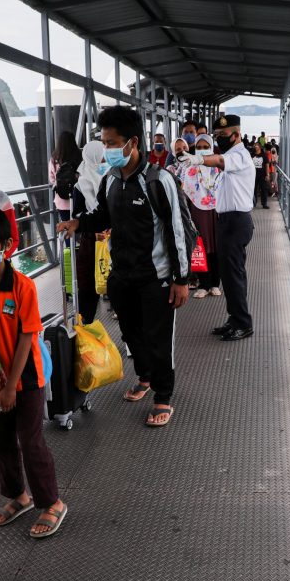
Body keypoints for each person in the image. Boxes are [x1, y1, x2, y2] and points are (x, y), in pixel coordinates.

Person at [57, 106, 192, 427]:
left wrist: (181, 279)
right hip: (121, 275)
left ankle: (163, 396)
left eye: (112, 143)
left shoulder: (159, 181)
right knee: (131, 334)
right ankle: (145, 377)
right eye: (104, 143)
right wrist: (77, 222)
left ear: (133, 142)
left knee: (159, 338)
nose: (108, 150)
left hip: (156, 277)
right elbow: (103, 216)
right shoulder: (110, 179)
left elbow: (176, 232)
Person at [0, 207, 67, 537]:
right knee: (1, 441)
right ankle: (19, 496)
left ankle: (52, 503)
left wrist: (11, 385)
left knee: (30, 441)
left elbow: (26, 336)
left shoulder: (22, 286)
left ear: (5, 245)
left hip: (26, 377)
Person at [177, 114, 255, 341]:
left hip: (236, 221)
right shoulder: (230, 154)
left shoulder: (240, 155)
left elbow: (219, 162)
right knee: (229, 276)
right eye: (217, 135)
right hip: (226, 221)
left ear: (236, 135)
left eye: (223, 135)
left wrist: (197, 159)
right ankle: (234, 318)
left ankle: (243, 323)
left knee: (234, 275)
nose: (219, 139)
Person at [174, 133, 221, 298]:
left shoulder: (218, 166)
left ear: (211, 147)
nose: (202, 150)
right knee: (201, 247)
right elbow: (185, 191)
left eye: (205, 147)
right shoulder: (190, 167)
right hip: (197, 211)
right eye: (199, 148)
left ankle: (215, 283)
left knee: (216, 248)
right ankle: (204, 283)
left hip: (216, 211)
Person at [72, 140, 107, 323]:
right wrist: (92, 234)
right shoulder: (80, 186)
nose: (104, 164)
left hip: (115, 241)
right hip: (91, 243)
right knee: (88, 287)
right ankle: (86, 325)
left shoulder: (114, 179)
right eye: (100, 160)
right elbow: (76, 216)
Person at [49, 130, 82, 224]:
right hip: (78, 198)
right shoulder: (79, 156)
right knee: (82, 227)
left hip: (62, 200)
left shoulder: (54, 159)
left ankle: (68, 239)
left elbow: (52, 178)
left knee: (67, 228)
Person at [252, 143, 270, 209]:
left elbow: (267, 165)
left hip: (262, 175)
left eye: (256, 146)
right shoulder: (252, 154)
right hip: (253, 175)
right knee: (253, 189)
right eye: (254, 146)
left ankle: (264, 203)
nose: (254, 147)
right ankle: (253, 202)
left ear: (259, 147)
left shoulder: (264, 155)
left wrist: (267, 175)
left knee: (263, 189)